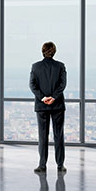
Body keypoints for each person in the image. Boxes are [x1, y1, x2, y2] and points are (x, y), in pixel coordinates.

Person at [29, 41, 66, 174]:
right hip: (57, 106)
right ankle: (60, 165)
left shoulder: (35, 67)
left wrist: (43, 98)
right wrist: (54, 97)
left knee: (42, 137)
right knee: (58, 135)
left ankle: (42, 165)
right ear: (54, 51)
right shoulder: (60, 66)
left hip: (41, 106)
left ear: (42, 51)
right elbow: (62, 85)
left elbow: (32, 85)